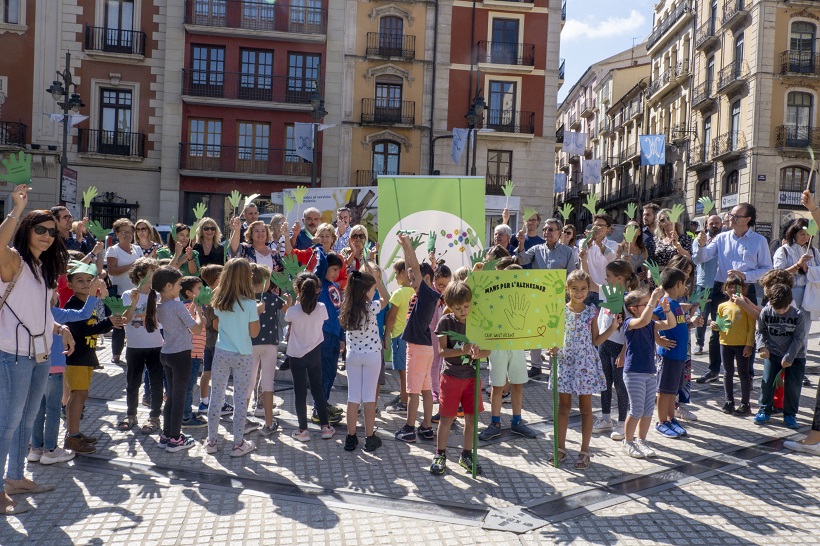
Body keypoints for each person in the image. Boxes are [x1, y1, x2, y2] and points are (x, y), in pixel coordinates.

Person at [0, 193, 76, 515]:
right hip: (13, 354)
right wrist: (17, 208)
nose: (46, 236)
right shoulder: (14, 260)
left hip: (41, 353)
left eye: (50, 231)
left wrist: (59, 328)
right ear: (27, 230)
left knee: (26, 420)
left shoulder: (42, 267)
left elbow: (40, 311)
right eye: (40, 230)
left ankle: (16, 478)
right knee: (7, 423)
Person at [548, 270, 621, 470]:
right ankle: (560, 448)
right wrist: (551, 347)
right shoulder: (559, 311)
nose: (579, 292)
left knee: (586, 409)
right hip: (564, 362)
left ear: (589, 290)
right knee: (563, 407)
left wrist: (612, 328)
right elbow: (552, 338)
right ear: (567, 289)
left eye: (583, 289)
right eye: (574, 288)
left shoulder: (591, 312)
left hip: (585, 365)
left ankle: (584, 450)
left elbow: (596, 340)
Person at [693, 203, 772, 384]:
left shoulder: (759, 241)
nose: (731, 218)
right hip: (722, 287)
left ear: (748, 219)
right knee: (716, 328)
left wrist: (745, 275)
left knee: (748, 330)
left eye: (736, 215)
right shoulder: (722, 238)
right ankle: (713, 369)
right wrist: (702, 245)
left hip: (746, 288)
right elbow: (701, 258)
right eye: (731, 215)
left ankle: (747, 373)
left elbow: (768, 269)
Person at [203, 259, 262, 456]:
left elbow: (217, 326)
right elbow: (254, 333)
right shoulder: (250, 304)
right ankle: (238, 444)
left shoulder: (219, 300)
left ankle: (211, 441)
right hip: (243, 354)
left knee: (216, 397)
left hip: (221, 352)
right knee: (240, 399)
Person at [432, 281, 490, 475]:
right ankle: (440, 454)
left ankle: (467, 454)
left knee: (472, 419)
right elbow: (442, 351)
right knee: (446, 418)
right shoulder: (446, 321)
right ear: (450, 305)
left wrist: (477, 354)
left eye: (466, 306)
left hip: (472, 378)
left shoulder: (478, 320)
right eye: (458, 308)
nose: (464, 311)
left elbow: (487, 351)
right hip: (451, 377)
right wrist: (461, 350)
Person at [578, 259, 639, 441]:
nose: (605, 278)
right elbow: (589, 283)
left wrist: (623, 353)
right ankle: (605, 418)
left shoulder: (629, 299)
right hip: (604, 344)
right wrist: (583, 259)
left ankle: (622, 422)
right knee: (604, 382)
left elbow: (631, 329)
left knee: (620, 386)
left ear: (619, 278)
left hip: (619, 347)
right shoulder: (607, 291)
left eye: (609, 276)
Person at [478, 261, 539, 443]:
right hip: (497, 345)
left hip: (518, 345)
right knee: (497, 386)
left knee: (518, 384)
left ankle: (517, 420)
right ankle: (495, 423)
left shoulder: (525, 297)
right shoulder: (496, 296)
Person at [63, 262, 120, 454]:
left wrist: (109, 320)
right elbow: (80, 330)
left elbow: (102, 320)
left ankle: (75, 433)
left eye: (88, 280)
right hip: (76, 356)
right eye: (79, 280)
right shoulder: (73, 304)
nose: (85, 284)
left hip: (87, 355)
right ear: (69, 284)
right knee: (76, 395)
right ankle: (71, 436)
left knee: (82, 395)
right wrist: (107, 324)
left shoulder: (90, 301)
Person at [148, 266, 204, 452]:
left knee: (171, 395)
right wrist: (200, 317)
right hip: (180, 355)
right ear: (169, 285)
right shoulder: (177, 305)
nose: (181, 288)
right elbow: (195, 329)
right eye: (179, 285)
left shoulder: (160, 305)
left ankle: (166, 434)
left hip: (167, 353)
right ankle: (175, 438)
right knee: (178, 397)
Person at [393, 234, 441, 444]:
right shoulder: (424, 295)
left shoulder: (427, 294)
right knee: (426, 390)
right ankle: (427, 427)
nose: (411, 280)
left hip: (417, 349)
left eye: (415, 278)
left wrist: (410, 247)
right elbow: (411, 267)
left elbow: (414, 266)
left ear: (427, 279)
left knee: (412, 392)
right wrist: (405, 248)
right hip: (426, 349)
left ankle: (409, 428)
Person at [620, 288, 675, 458]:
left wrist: (667, 310)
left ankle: (641, 440)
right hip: (634, 372)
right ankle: (628, 442)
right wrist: (653, 298)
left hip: (650, 371)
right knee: (636, 410)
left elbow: (671, 324)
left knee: (647, 411)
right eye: (645, 304)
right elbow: (643, 320)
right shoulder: (629, 323)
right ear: (633, 308)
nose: (649, 307)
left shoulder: (650, 323)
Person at [340, 264, 389, 452]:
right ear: (367, 290)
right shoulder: (371, 308)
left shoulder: (347, 309)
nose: (375, 292)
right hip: (372, 356)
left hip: (352, 356)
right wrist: (377, 279)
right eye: (373, 289)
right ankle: (369, 437)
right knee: (369, 398)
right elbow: (386, 298)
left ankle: (350, 438)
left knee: (353, 397)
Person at [285, 272, 335, 442]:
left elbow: (288, 318)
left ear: (298, 290)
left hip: (296, 356)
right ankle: (325, 427)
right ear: (317, 290)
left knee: (299, 393)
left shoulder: (292, 311)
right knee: (318, 390)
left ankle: (303, 430)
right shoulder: (321, 308)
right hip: (315, 354)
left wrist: (292, 303)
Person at [652, 267, 701, 439]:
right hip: (668, 355)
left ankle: (671, 418)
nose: (686, 288)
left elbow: (680, 325)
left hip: (679, 355)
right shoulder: (664, 304)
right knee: (663, 390)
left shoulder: (676, 305)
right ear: (678, 284)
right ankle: (661, 421)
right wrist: (658, 340)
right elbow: (649, 321)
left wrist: (693, 320)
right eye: (684, 284)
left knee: (672, 390)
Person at [118, 258, 165, 434]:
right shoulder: (128, 294)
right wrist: (132, 303)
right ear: (140, 275)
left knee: (156, 383)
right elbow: (125, 319)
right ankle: (131, 414)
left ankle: (154, 417)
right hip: (134, 346)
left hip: (156, 346)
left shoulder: (159, 296)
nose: (155, 276)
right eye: (152, 272)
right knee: (133, 383)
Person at [755, 284, 807, 430]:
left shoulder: (798, 315)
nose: (779, 311)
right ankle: (764, 410)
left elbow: (798, 339)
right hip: (773, 354)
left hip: (796, 356)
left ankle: (790, 414)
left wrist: (790, 357)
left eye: (783, 309)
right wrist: (762, 346)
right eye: (776, 309)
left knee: (793, 386)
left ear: (789, 302)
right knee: (767, 382)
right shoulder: (766, 311)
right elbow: (759, 331)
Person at [248, 262, 286, 437]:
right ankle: (269, 424)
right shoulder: (272, 298)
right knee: (268, 383)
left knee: (248, 383)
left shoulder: (246, 299)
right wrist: (290, 298)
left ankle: (241, 421)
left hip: (250, 344)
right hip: (270, 344)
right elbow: (286, 307)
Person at [773, 218, 820, 350]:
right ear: (793, 234)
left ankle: (801, 359)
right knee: (789, 329)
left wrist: (809, 270)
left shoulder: (814, 251)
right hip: (790, 292)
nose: (805, 238)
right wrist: (798, 265)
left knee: (804, 330)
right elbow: (777, 274)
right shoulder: (784, 251)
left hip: (809, 292)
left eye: (807, 234)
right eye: (802, 234)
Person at [714, 274, 756, 415]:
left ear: (743, 289)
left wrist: (749, 345)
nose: (732, 289)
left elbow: (752, 326)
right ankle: (729, 401)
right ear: (725, 289)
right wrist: (715, 326)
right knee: (727, 373)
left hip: (742, 345)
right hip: (725, 344)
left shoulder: (745, 305)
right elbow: (720, 325)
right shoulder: (722, 306)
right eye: (729, 286)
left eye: (736, 287)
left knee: (744, 374)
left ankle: (745, 403)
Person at [197, 264, 232, 417]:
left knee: (207, 372)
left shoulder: (206, 295)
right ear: (219, 278)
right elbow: (217, 324)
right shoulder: (217, 298)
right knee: (219, 374)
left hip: (207, 341)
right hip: (218, 342)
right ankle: (220, 403)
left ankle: (204, 401)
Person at [106, 218, 141, 364]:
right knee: (119, 325)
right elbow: (112, 271)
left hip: (136, 294)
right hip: (119, 293)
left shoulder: (137, 249)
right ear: (117, 234)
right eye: (123, 232)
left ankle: (135, 354)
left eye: (130, 232)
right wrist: (133, 265)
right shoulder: (113, 250)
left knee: (137, 323)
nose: (127, 235)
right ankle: (116, 355)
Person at [384, 259, 414, 413]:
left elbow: (391, 317)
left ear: (403, 273)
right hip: (411, 337)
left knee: (403, 371)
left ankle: (404, 402)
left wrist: (385, 336)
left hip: (399, 336)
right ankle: (404, 396)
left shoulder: (398, 294)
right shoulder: (415, 291)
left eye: (396, 273)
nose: (395, 277)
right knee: (407, 370)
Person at [693, 214, 723, 354]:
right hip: (703, 284)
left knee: (718, 316)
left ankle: (716, 344)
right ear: (706, 225)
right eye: (711, 223)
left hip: (720, 284)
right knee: (701, 316)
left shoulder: (724, 240)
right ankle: (699, 343)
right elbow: (696, 260)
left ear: (721, 224)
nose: (714, 225)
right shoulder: (698, 240)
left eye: (717, 223)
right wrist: (702, 245)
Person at [180, 276, 207, 428]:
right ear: (190, 293)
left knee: (189, 386)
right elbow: (189, 321)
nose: (203, 291)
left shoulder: (200, 306)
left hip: (197, 354)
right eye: (199, 289)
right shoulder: (185, 306)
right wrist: (195, 307)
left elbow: (205, 322)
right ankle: (186, 417)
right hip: (190, 354)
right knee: (188, 387)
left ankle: (185, 412)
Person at [581, 213, 619, 307]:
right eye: (596, 225)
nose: (598, 228)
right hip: (586, 289)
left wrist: (598, 242)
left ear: (608, 228)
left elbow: (611, 257)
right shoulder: (583, 242)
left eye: (601, 226)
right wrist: (589, 239)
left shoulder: (613, 244)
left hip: (602, 289)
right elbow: (583, 253)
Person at [652, 208, 692, 274]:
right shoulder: (656, 240)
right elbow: (652, 260)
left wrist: (677, 245)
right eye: (662, 220)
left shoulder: (685, 238)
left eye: (669, 218)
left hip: (676, 275)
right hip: (659, 276)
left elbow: (688, 257)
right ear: (660, 224)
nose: (666, 221)